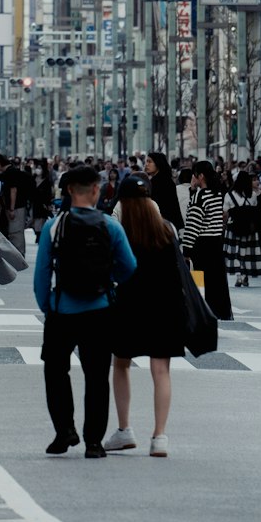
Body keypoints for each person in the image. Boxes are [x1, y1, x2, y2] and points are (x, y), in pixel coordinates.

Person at [33, 166, 136, 458]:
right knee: (96, 376)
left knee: (55, 371)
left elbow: (41, 275)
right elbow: (129, 267)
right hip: (100, 309)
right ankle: (94, 442)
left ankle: (64, 431)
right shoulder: (111, 226)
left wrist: (49, 306)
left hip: (62, 309)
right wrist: (108, 281)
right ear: (96, 190)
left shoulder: (54, 226)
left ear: (68, 190)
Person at [104, 175, 185, 458]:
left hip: (129, 305)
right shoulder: (167, 230)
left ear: (123, 202)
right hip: (165, 306)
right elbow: (179, 272)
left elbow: (114, 271)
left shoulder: (120, 230)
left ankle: (125, 429)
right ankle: (159, 436)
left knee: (121, 364)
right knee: (161, 371)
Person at [181, 161, 232, 321]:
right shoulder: (217, 193)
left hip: (202, 244)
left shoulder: (200, 195)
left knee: (200, 279)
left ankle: (202, 311)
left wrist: (187, 249)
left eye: (194, 175)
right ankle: (219, 310)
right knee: (216, 280)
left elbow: (193, 224)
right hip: (216, 242)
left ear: (200, 176)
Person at [223, 169, 261, 288]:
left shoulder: (229, 195)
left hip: (234, 227)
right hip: (249, 228)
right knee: (246, 252)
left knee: (235, 252)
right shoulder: (253, 195)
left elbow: (224, 213)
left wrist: (223, 224)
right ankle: (246, 275)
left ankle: (238, 276)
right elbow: (255, 210)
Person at [143, 151, 183, 232]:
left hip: (160, 225)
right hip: (169, 224)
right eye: (146, 161)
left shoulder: (157, 182)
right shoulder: (167, 180)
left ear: (158, 163)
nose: (146, 164)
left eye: (149, 161)